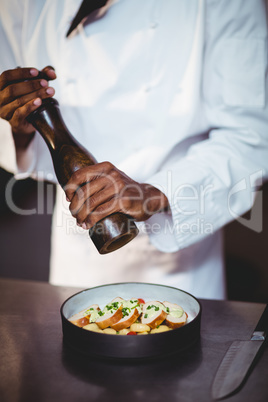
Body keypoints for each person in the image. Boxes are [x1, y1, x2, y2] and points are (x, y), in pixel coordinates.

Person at [0, 0, 267, 299]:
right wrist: (20, 131)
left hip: (180, 256)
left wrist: (155, 191)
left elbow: (252, 136)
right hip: (78, 254)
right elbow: (11, 103)